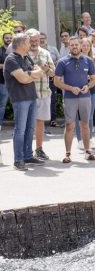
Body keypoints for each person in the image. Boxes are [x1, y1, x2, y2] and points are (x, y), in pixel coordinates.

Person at [3, 33, 45, 170]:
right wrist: (32, 75)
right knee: (20, 130)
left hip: (31, 96)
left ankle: (27, 156)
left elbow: (39, 70)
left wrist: (30, 75)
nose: (31, 44)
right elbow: (22, 79)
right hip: (20, 99)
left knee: (30, 128)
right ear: (21, 44)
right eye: (28, 42)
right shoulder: (10, 60)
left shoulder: (26, 57)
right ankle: (18, 160)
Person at [54, 36, 95, 163]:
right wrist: (70, 88)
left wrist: (87, 86)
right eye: (71, 45)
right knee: (70, 125)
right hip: (69, 98)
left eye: (76, 44)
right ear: (69, 46)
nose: (74, 46)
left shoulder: (88, 60)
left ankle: (87, 151)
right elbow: (56, 82)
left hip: (85, 96)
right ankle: (67, 154)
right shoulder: (62, 62)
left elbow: (94, 78)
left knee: (85, 124)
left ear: (80, 45)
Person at [26, 29, 55, 160]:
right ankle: (27, 151)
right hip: (28, 94)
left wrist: (46, 69)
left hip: (44, 93)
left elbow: (53, 73)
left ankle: (39, 149)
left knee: (40, 123)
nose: (34, 43)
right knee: (28, 124)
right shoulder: (23, 54)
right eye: (31, 41)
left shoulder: (46, 53)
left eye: (36, 40)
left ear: (40, 40)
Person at [75, 37, 95, 150]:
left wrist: (93, 76)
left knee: (89, 116)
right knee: (79, 117)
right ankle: (80, 140)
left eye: (87, 45)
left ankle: (89, 139)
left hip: (92, 90)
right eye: (83, 45)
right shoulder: (75, 59)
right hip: (78, 91)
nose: (85, 47)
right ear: (80, 46)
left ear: (90, 47)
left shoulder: (93, 60)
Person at [0, 32, 12, 132]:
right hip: (3, 82)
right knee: (2, 105)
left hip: (15, 83)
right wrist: (5, 66)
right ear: (3, 39)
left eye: (10, 38)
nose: (8, 39)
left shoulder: (14, 50)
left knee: (17, 104)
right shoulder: (0, 50)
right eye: (6, 38)